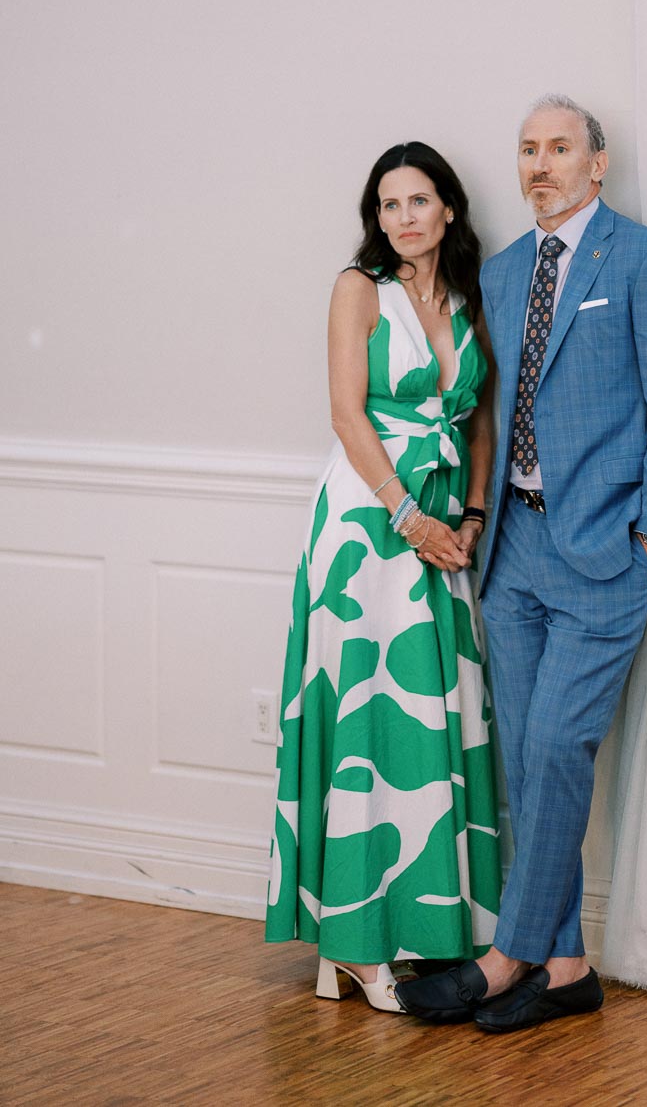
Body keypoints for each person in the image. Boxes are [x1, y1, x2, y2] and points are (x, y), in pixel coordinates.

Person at [396, 94, 647, 1032]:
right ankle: (569, 964)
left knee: (555, 745)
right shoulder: (501, 274)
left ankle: (508, 956)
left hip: (606, 552)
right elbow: (494, 407)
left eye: (560, 148)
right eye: (528, 150)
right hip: (516, 552)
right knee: (528, 770)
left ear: (597, 163)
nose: (541, 165)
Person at [265, 142, 502, 1013]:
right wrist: (409, 516)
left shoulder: (470, 298)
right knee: (370, 725)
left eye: (418, 201)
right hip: (370, 524)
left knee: (434, 722)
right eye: (388, 203)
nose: (403, 217)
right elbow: (345, 410)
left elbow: (478, 420)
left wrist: (469, 517)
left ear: (448, 210)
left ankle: (429, 934)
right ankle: (356, 950)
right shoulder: (358, 288)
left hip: (445, 523)